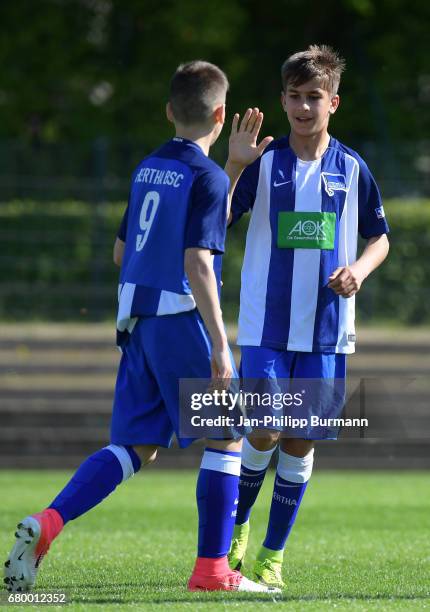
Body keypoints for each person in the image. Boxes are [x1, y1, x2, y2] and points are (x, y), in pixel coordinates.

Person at [4, 61, 278, 594]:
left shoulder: (148, 166)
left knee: (137, 445)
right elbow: (200, 259)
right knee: (227, 439)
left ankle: (49, 523)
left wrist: (236, 170)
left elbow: (120, 253)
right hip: (179, 320)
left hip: (136, 322)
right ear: (221, 114)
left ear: (169, 110)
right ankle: (213, 572)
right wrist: (221, 346)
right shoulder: (206, 176)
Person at [227, 45, 390, 588]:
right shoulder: (264, 162)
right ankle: (238, 526)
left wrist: (360, 271)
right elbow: (219, 219)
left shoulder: (352, 167)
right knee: (267, 429)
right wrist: (232, 165)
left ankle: (272, 558)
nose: (302, 107)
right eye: (294, 97)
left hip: (326, 330)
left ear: (333, 102)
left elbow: (380, 237)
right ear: (282, 100)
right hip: (265, 326)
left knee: (300, 440)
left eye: (313, 97)